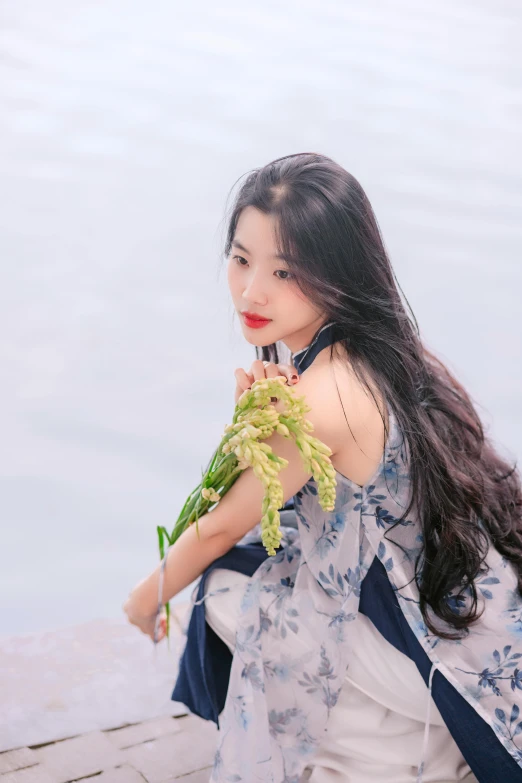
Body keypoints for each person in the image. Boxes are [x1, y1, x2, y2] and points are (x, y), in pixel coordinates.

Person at [122, 153, 522, 783]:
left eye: (286, 270)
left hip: (427, 643)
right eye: (241, 258)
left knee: (227, 582)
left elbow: (223, 526)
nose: (252, 292)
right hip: (466, 600)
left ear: (339, 274)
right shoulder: (388, 347)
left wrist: (143, 602)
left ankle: (370, 740)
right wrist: (256, 429)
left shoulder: (322, 396)